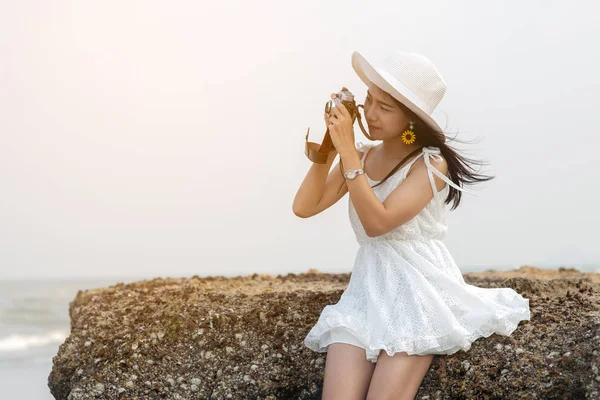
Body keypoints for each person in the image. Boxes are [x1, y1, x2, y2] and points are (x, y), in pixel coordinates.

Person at [292, 50, 531, 400]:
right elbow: (304, 206)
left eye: (385, 108)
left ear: (411, 120)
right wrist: (330, 148)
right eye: (369, 101)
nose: (371, 114)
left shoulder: (431, 164)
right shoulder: (360, 153)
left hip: (420, 289)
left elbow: (378, 223)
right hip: (366, 290)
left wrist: (347, 155)